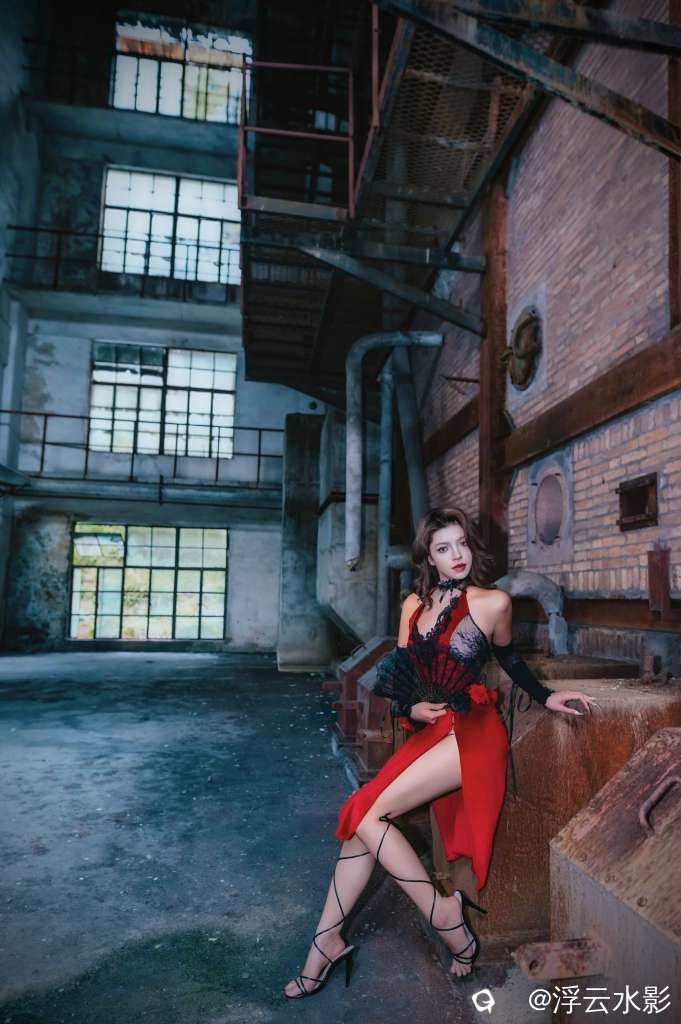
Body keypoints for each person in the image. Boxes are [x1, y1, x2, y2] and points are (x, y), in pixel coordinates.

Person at [284, 507, 599, 999]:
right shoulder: (413, 605)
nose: (456, 555)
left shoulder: (493, 602)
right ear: (429, 558)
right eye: (443, 548)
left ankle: (442, 914)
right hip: (430, 732)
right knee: (361, 823)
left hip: (472, 731)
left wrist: (547, 696)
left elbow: (509, 659)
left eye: (462, 544)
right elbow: (404, 676)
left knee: (367, 815)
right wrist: (411, 705)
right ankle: (327, 940)